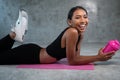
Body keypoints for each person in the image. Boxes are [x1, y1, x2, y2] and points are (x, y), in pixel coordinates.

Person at [0, 6, 115, 65]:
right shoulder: (72, 32)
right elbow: (73, 61)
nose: (83, 20)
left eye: (85, 16)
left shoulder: (79, 34)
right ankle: (13, 34)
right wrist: (97, 58)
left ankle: (13, 35)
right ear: (70, 22)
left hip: (34, 51)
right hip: (30, 55)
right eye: (77, 17)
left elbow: (76, 56)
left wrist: (97, 56)